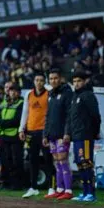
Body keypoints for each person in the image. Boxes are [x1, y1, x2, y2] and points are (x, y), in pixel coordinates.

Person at [68, 70, 101, 203]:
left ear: (84, 81)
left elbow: (96, 116)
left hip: (86, 135)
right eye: (74, 81)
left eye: (79, 81)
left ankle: (91, 193)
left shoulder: (88, 95)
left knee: (87, 163)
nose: (76, 84)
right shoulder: (75, 97)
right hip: (76, 136)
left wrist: (95, 132)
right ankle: (85, 191)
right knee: (80, 164)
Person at [19, 73, 54, 198]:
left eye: (41, 80)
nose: (38, 82)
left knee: (48, 159)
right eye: (37, 80)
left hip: (44, 131)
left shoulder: (49, 93)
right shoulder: (28, 94)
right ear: (34, 81)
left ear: (44, 82)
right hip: (31, 131)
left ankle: (51, 187)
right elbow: (25, 112)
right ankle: (33, 187)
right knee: (32, 160)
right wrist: (21, 129)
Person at [43, 68, 74, 200]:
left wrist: (67, 133)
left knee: (63, 159)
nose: (53, 81)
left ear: (60, 78)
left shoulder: (67, 92)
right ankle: (60, 188)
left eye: (55, 78)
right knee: (56, 161)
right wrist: (45, 134)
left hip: (62, 134)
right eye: (51, 79)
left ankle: (68, 190)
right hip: (52, 134)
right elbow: (48, 115)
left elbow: (69, 115)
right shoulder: (50, 94)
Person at [0, 84, 25, 192]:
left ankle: (18, 184)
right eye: (11, 91)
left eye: (15, 91)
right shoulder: (6, 104)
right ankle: (8, 183)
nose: (12, 93)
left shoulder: (21, 103)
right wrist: (1, 122)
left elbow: (16, 120)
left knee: (16, 161)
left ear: (19, 93)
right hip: (5, 136)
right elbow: (0, 116)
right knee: (7, 161)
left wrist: (1, 123)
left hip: (15, 137)